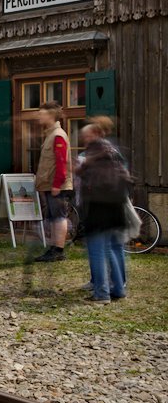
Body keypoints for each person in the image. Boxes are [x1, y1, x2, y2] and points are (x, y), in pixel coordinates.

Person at [77, 122, 130, 302]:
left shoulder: (93, 153)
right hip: (117, 205)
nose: (84, 140)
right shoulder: (115, 152)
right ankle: (119, 289)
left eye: (86, 137)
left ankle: (101, 293)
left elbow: (85, 176)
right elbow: (126, 176)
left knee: (98, 250)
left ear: (94, 135)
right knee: (114, 248)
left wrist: (76, 168)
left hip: (98, 206)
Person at [33, 102, 73, 263]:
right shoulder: (51, 134)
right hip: (50, 184)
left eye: (41, 113)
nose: (39, 116)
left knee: (58, 217)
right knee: (53, 217)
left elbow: (61, 162)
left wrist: (57, 184)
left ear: (50, 116)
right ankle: (53, 248)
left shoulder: (58, 135)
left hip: (57, 185)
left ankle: (58, 250)